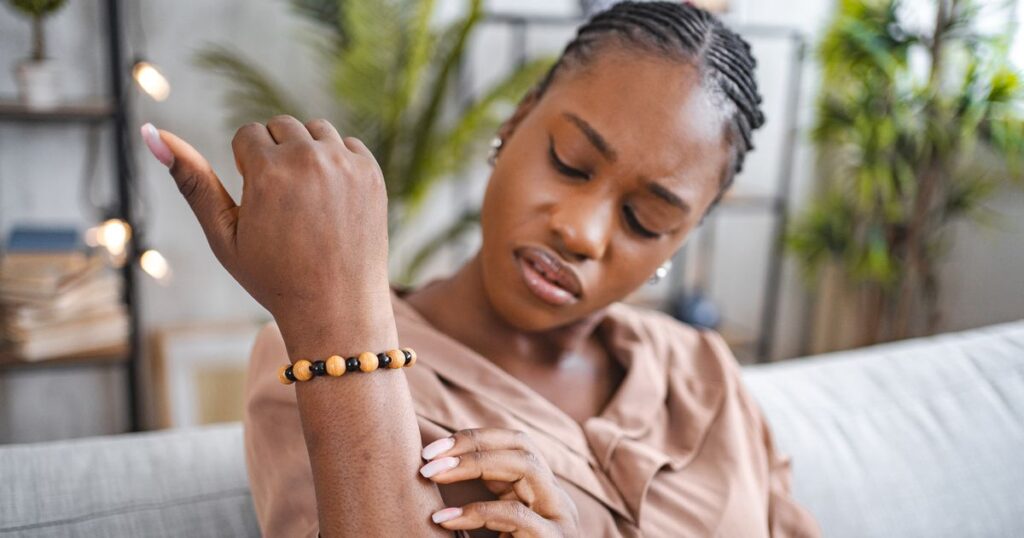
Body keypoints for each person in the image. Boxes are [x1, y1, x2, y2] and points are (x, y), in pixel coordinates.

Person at [142, 2, 820, 536]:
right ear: (518, 119)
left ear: (684, 237)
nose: (579, 231)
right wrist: (335, 314)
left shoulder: (703, 375)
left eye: (646, 220)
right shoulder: (322, 359)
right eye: (569, 163)